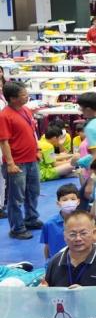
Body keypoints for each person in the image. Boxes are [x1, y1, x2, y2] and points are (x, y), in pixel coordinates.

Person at [0, 81, 42, 239]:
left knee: (33, 192)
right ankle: (17, 228)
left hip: (31, 159)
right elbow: (4, 142)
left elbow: (32, 131)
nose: (27, 97)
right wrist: (10, 163)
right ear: (12, 98)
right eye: (23, 95)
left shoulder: (25, 110)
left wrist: (37, 149)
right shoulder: (4, 116)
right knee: (16, 198)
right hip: (17, 162)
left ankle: (31, 219)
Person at [43, 211, 96, 287]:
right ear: (65, 236)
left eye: (83, 233)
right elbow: (48, 294)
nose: (78, 238)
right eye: (72, 234)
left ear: (94, 233)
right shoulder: (55, 262)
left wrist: (85, 293)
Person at [41, 183, 82, 260]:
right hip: (57, 263)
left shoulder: (85, 222)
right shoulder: (49, 224)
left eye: (73, 199)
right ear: (58, 203)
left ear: (78, 201)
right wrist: (48, 263)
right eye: (65, 200)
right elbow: (47, 246)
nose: (69, 202)